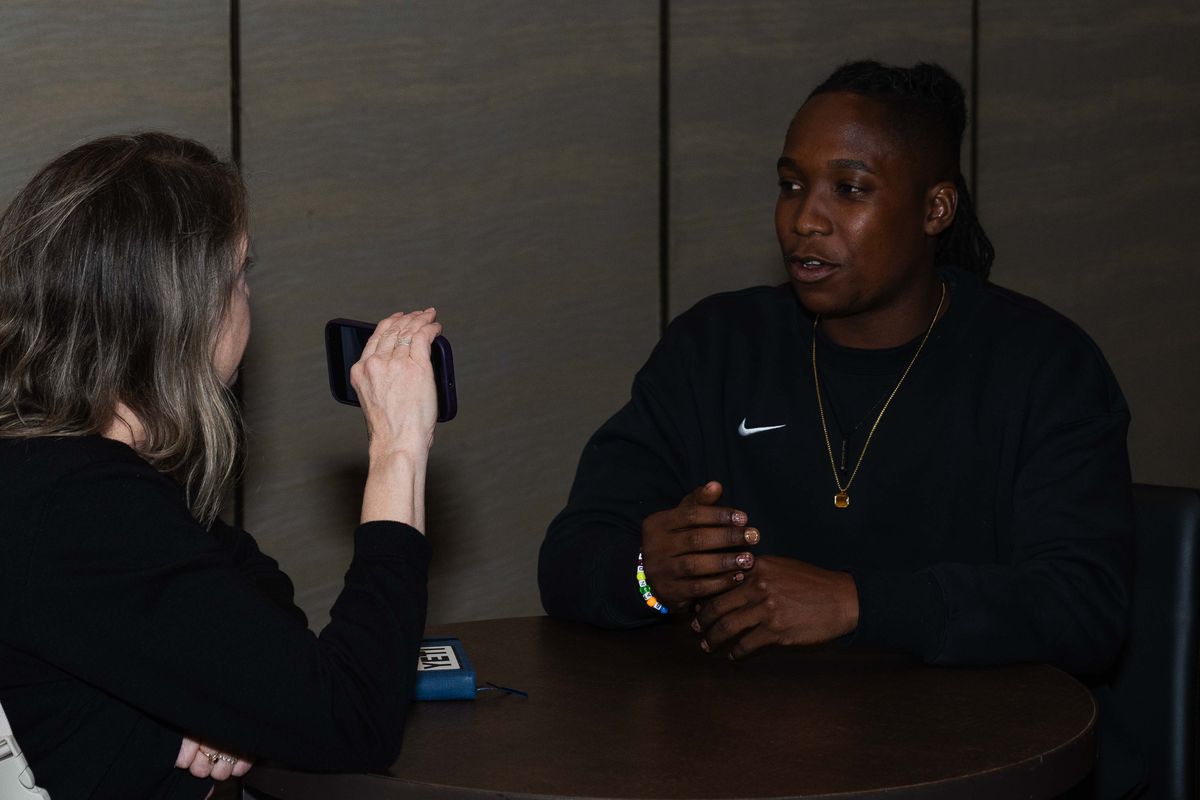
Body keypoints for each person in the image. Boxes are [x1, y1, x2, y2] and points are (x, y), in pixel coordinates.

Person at [539, 62, 1139, 797]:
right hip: (737, 763)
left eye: (848, 189)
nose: (805, 219)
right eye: (792, 185)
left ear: (935, 209)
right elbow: (571, 557)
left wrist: (857, 604)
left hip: (970, 765)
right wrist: (648, 574)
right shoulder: (717, 347)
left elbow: (1083, 608)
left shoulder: (1043, 365)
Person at [0, 133, 442, 799]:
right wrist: (398, 450)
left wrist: (217, 699)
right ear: (181, 315)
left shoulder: (54, 473)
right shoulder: (83, 509)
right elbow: (351, 717)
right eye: (237, 275)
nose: (246, 302)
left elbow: (262, 603)